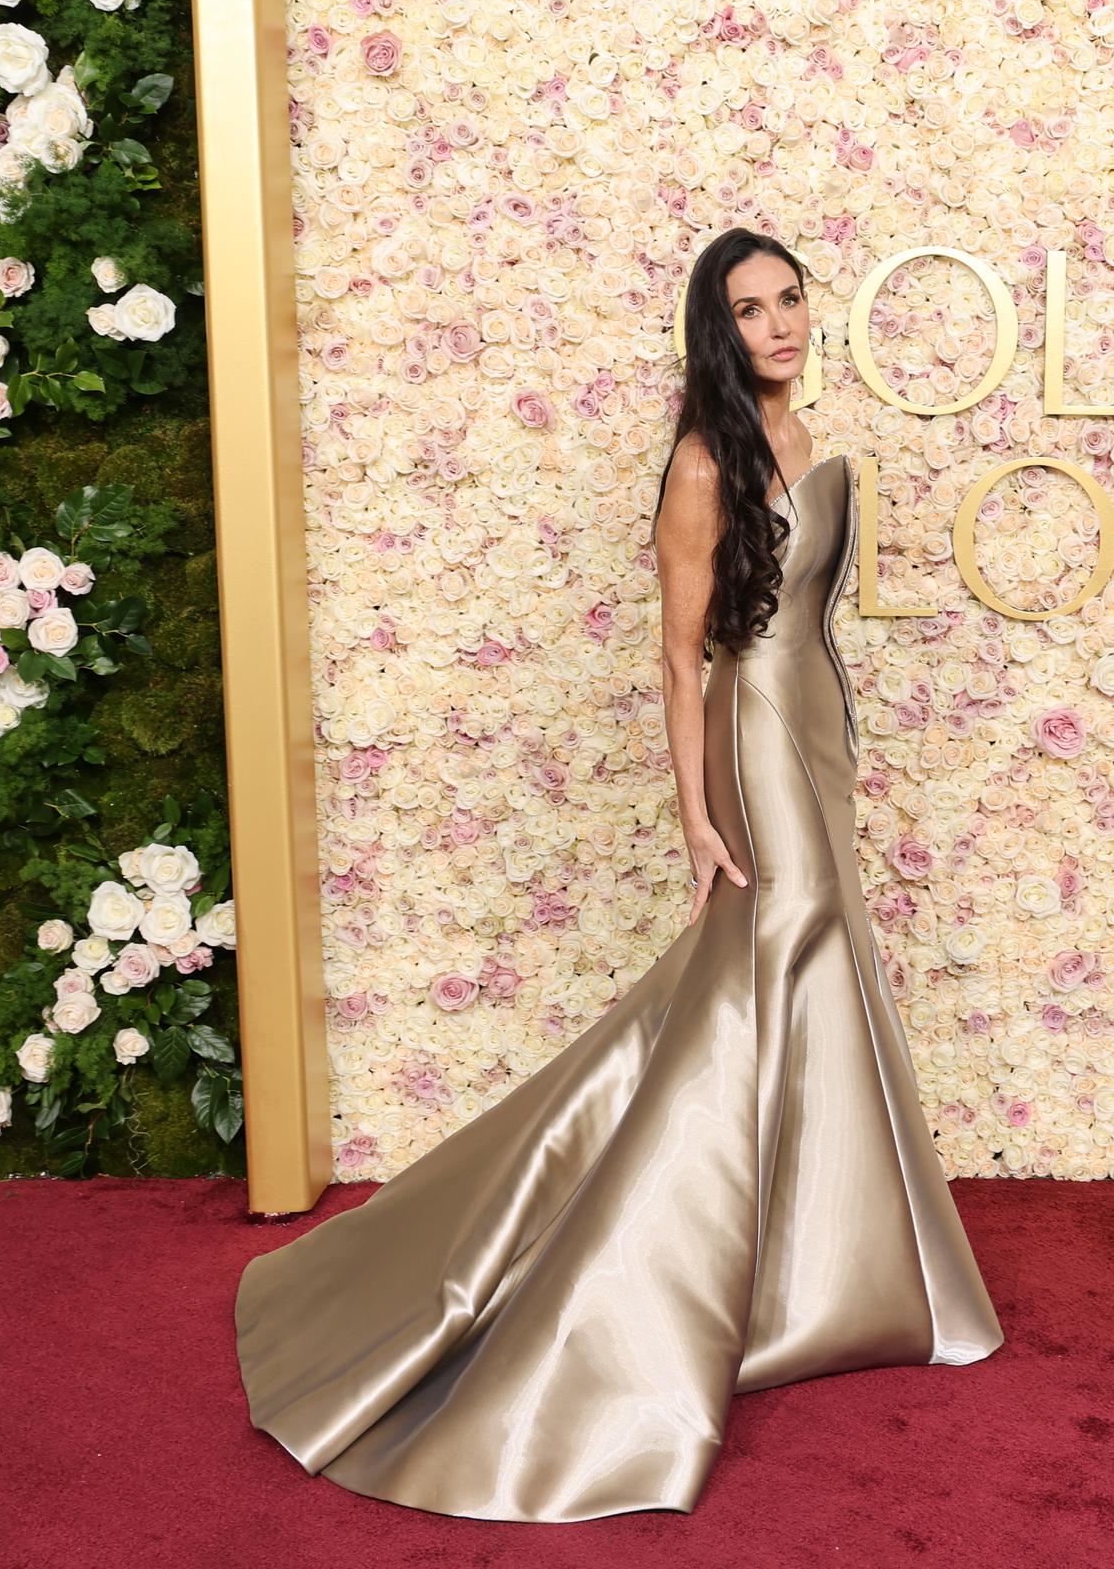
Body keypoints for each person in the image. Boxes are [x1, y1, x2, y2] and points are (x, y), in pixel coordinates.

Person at [231, 226, 1006, 1522]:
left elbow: (816, 622)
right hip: (752, 733)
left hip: (816, 723)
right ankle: (675, 1282)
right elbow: (679, 654)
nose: (778, 326)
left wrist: (844, 745)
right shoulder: (708, 464)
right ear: (719, 329)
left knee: (793, 977)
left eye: (790, 301)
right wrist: (695, 813)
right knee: (778, 958)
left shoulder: (825, 441)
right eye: (750, 310)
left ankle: (814, 1270)